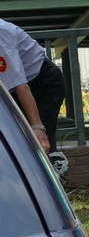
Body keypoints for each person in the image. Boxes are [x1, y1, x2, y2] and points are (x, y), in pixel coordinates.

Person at [0, 18, 67, 175]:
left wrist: (37, 127)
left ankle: (52, 180)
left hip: (42, 84)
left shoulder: (1, 34)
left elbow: (21, 85)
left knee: (37, 142)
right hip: (14, 89)